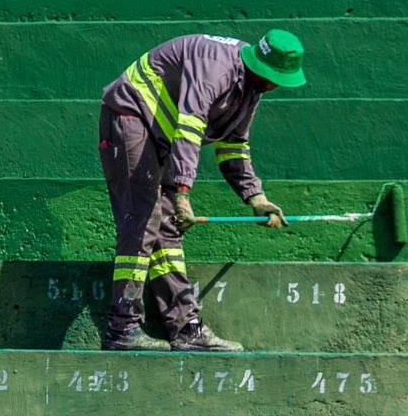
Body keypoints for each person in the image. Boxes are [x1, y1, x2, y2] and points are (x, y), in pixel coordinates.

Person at [97, 29, 306, 351]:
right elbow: (190, 126)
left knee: (167, 230)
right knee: (142, 219)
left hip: (162, 137)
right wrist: (182, 192)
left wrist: (257, 198)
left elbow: (234, 146)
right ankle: (122, 329)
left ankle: (186, 329)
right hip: (131, 115)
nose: (275, 85)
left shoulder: (252, 88)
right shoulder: (215, 68)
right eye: (273, 77)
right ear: (260, 67)